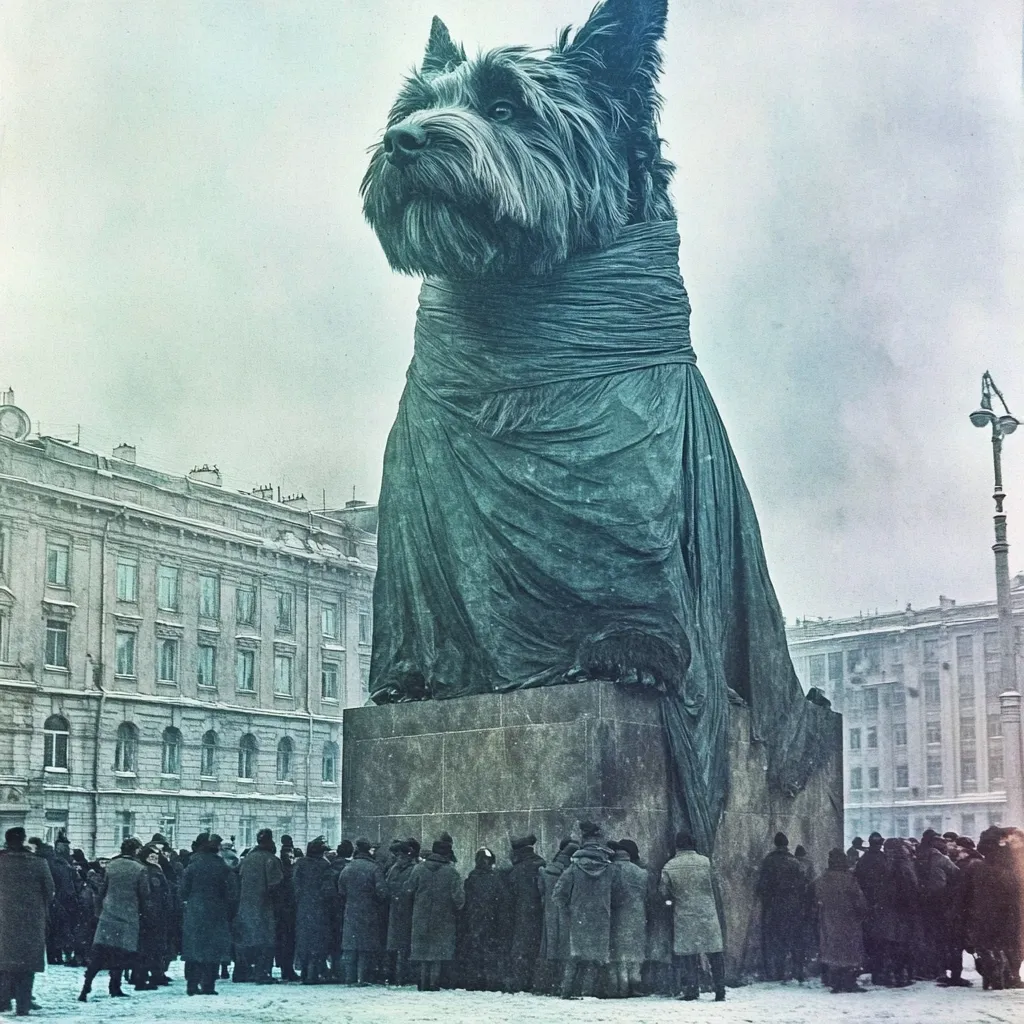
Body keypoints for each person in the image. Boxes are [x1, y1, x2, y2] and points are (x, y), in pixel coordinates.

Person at [79, 837, 149, 1002]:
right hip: (128, 917)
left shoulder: (111, 866)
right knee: (120, 953)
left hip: (108, 915)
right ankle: (114, 986)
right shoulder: (140, 869)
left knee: (100, 952)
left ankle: (86, 986)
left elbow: (102, 891)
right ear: (136, 850)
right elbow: (144, 895)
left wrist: (100, 911)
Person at [659, 830, 725, 1002]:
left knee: (689, 954)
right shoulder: (706, 862)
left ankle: (692, 990)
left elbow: (663, 892)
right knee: (714, 953)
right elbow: (716, 885)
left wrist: (671, 901)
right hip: (707, 913)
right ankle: (720, 990)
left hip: (685, 914)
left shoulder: (669, 866)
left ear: (677, 845)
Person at [552, 821, 615, 999]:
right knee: (595, 958)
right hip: (602, 916)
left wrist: (568, 911)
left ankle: (566, 991)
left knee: (575, 957)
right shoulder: (610, 869)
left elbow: (558, 894)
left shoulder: (573, 869)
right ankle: (588, 992)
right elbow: (618, 895)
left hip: (578, 917)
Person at [0, 826, 55, 1017]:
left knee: (4, 962)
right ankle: (23, 1005)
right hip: (31, 922)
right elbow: (50, 891)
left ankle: (3, 1001)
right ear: (23, 840)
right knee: (26, 965)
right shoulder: (38, 863)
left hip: (3, 921)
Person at [181, 833, 237, 996]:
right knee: (213, 949)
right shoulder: (222, 867)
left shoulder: (191, 866)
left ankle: (192, 985)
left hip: (195, 911)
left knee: (194, 948)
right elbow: (231, 893)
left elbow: (183, 891)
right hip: (216, 912)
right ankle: (209, 985)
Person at [407, 837, 465, 991]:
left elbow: (409, 890)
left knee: (423, 952)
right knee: (437, 953)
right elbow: (459, 899)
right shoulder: (452, 872)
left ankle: (422, 982)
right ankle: (434, 983)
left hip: (421, 916)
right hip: (443, 918)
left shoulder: (418, 869)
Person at [815, 847, 868, 993]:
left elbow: (816, 896)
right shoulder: (849, 878)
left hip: (829, 919)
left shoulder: (823, 878)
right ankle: (849, 982)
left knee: (833, 950)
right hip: (849, 919)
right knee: (849, 951)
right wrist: (862, 913)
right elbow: (859, 899)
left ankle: (835, 983)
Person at [234, 828, 283, 983]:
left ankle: (242, 971)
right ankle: (262, 973)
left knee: (246, 939)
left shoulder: (248, 859)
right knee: (266, 940)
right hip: (264, 905)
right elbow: (276, 884)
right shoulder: (271, 859)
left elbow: (239, 877)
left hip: (246, 905)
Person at [755, 832, 805, 981]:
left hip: (774, 906)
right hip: (793, 906)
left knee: (776, 940)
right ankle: (798, 971)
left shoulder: (769, 861)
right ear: (787, 844)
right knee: (795, 939)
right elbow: (802, 884)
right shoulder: (795, 862)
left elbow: (762, 886)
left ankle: (779, 972)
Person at [458, 847, 509, 992]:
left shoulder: (471, 878)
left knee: (475, 951)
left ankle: (474, 981)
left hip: (474, 920)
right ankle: (490, 982)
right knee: (490, 952)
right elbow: (503, 902)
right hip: (491, 920)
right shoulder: (495, 880)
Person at [337, 837, 386, 985]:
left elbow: (341, 889)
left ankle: (349, 978)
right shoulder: (374, 868)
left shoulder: (348, 867)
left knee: (351, 945)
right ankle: (363, 978)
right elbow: (382, 891)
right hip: (369, 910)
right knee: (366, 946)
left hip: (351, 910)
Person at [504, 833, 545, 993]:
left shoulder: (516, 871)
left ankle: (520, 982)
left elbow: (510, 896)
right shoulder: (541, 865)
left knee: (521, 950)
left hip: (520, 915)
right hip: (539, 914)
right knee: (536, 948)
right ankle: (535, 982)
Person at [537, 839, 578, 995]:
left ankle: (544, 984)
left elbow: (540, 891)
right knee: (564, 949)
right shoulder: (571, 871)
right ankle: (561, 983)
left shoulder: (547, 870)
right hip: (566, 913)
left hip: (549, 912)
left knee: (548, 949)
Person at [876, 838, 918, 987]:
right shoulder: (905, 865)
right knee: (902, 944)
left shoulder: (883, 864)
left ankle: (888, 975)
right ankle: (900, 976)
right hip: (902, 911)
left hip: (887, 910)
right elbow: (911, 888)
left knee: (889, 944)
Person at [293, 836, 334, 984]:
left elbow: (295, 885)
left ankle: (304, 972)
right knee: (318, 941)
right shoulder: (325, 865)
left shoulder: (300, 864)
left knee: (304, 940)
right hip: (320, 909)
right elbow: (328, 889)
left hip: (303, 907)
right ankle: (313, 973)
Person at [609, 839, 648, 997]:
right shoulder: (641, 872)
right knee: (635, 952)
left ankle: (621, 986)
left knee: (617, 953)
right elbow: (646, 894)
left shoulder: (610, 870)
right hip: (637, 914)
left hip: (616, 914)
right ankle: (635, 985)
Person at [132, 843, 171, 990]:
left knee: (155, 946)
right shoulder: (148, 871)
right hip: (152, 913)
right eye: (151, 857)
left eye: (156, 857)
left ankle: (154, 974)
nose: (154, 859)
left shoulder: (156, 869)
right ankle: (150, 975)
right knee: (151, 946)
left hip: (156, 912)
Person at [853, 832, 887, 984]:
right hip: (881, 903)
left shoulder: (863, 859)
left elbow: (857, 879)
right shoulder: (884, 859)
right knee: (880, 938)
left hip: (866, 902)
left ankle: (868, 965)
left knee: (868, 937)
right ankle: (879, 971)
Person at [384, 841, 417, 986]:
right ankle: (400, 976)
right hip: (405, 911)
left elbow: (387, 885)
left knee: (397, 946)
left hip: (396, 910)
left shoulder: (393, 869)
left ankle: (394, 976)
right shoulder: (412, 869)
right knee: (403, 947)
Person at [275, 843, 300, 982]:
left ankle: (286, 968)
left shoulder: (283, 869)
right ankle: (287, 969)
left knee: (284, 941)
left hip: (282, 910)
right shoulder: (289, 871)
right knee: (287, 941)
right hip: (287, 910)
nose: (289, 857)